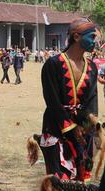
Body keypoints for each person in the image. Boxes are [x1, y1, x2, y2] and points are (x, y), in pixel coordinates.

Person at [40, 18, 99, 182]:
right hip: (56, 128)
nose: (95, 42)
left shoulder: (92, 67)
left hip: (83, 132)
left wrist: (88, 128)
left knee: (79, 185)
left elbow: (91, 102)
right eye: (92, 37)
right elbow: (52, 101)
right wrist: (71, 128)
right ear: (77, 36)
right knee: (59, 183)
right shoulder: (53, 64)